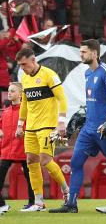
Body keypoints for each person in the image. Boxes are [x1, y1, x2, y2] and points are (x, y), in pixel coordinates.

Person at [50, 40, 106, 214]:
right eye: (81, 52)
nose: (81, 55)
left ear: (94, 53)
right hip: (88, 129)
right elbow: (94, 101)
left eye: (84, 52)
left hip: (104, 129)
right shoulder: (87, 74)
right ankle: (71, 204)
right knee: (75, 163)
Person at [15, 47, 70, 212]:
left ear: (33, 60)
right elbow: (24, 103)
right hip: (31, 127)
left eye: (24, 64)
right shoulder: (25, 78)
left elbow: (62, 98)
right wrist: (20, 124)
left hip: (47, 126)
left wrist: (61, 122)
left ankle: (65, 189)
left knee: (45, 160)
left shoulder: (49, 75)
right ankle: (38, 202)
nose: (23, 68)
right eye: (20, 65)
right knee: (31, 161)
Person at [0, 83, 35, 213]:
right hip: (6, 151)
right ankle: (2, 204)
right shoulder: (6, 112)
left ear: (21, 94)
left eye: (13, 91)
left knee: (30, 177)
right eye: (9, 91)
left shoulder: (27, 111)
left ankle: (33, 203)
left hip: (23, 150)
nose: (9, 93)